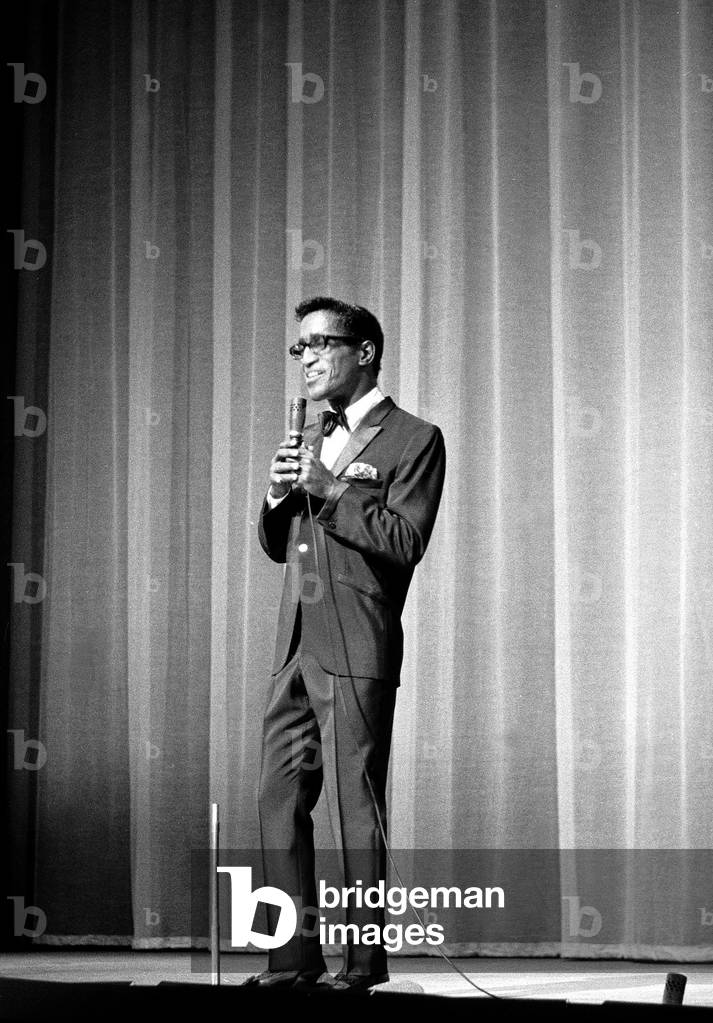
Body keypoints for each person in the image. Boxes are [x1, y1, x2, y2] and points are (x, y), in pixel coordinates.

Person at [247, 297, 446, 993]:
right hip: (295, 643)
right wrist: (277, 497)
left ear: (363, 351)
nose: (305, 359)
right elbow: (280, 545)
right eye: (298, 348)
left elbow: (404, 541)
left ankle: (362, 966)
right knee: (277, 799)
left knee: (354, 808)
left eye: (319, 344)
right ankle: (289, 959)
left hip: (357, 645)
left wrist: (330, 488)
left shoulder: (413, 437)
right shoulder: (309, 434)